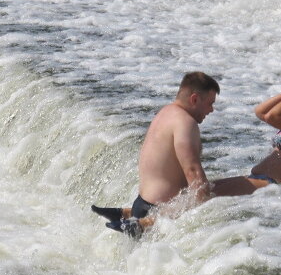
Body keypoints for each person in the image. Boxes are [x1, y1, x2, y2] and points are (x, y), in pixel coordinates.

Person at [91, 72, 219, 237]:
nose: (211, 110)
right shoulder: (185, 123)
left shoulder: (165, 113)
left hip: (141, 205)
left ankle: (126, 213)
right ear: (194, 99)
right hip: (156, 217)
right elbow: (193, 172)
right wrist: (212, 215)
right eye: (210, 103)